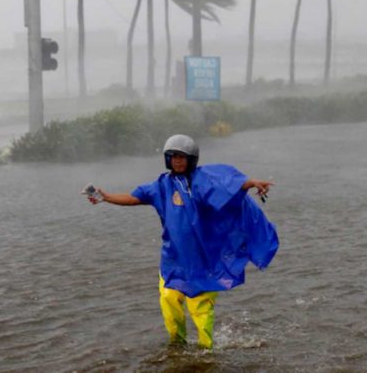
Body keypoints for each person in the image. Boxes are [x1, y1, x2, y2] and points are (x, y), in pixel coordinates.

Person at [88, 134, 279, 349]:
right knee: (169, 301)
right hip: (172, 259)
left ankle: (207, 352)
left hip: (202, 261)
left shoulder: (202, 181)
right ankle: (177, 346)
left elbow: (227, 185)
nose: (177, 161)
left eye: (182, 157)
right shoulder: (161, 186)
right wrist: (106, 197)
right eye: (173, 157)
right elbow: (134, 197)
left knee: (201, 309)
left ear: (192, 159)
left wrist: (251, 183)